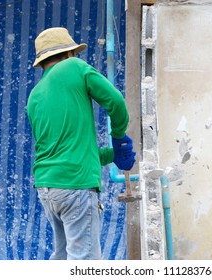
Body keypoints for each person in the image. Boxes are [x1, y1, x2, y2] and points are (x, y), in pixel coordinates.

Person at [26, 27, 136, 260]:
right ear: (68, 54)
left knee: (64, 258)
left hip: (48, 189)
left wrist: (112, 154)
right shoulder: (74, 67)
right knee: (84, 265)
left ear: (42, 62)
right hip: (75, 186)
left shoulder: (34, 96)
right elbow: (116, 102)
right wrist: (118, 136)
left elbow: (67, 149)